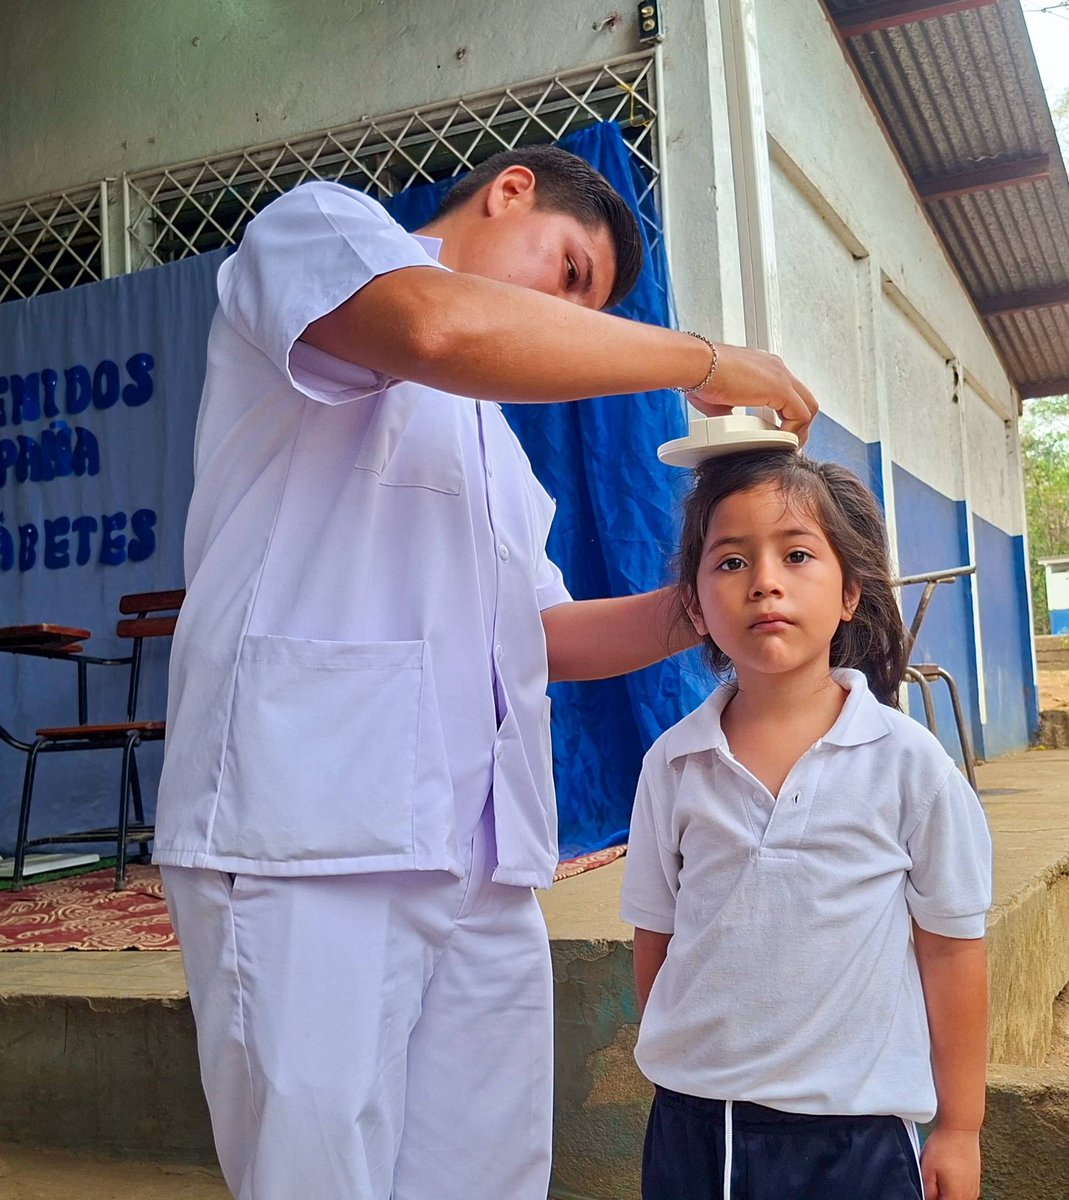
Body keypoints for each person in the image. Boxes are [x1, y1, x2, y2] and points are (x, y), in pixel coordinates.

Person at [154, 145, 818, 1200]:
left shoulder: (493, 447)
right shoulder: (321, 231)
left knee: (487, 1176)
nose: (569, 315)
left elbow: (544, 631)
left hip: (479, 860)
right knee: (317, 1175)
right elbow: (435, 326)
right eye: (567, 276)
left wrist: (714, 602)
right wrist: (703, 363)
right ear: (509, 190)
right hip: (307, 831)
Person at [621, 450, 992, 1200]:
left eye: (796, 554)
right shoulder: (673, 764)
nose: (764, 580)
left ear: (850, 592)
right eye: (729, 562)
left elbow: (951, 951)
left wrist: (959, 1127)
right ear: (694, 607)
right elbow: (655, 938)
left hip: (855, 1135)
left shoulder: (907, 763)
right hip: (698, 1132)